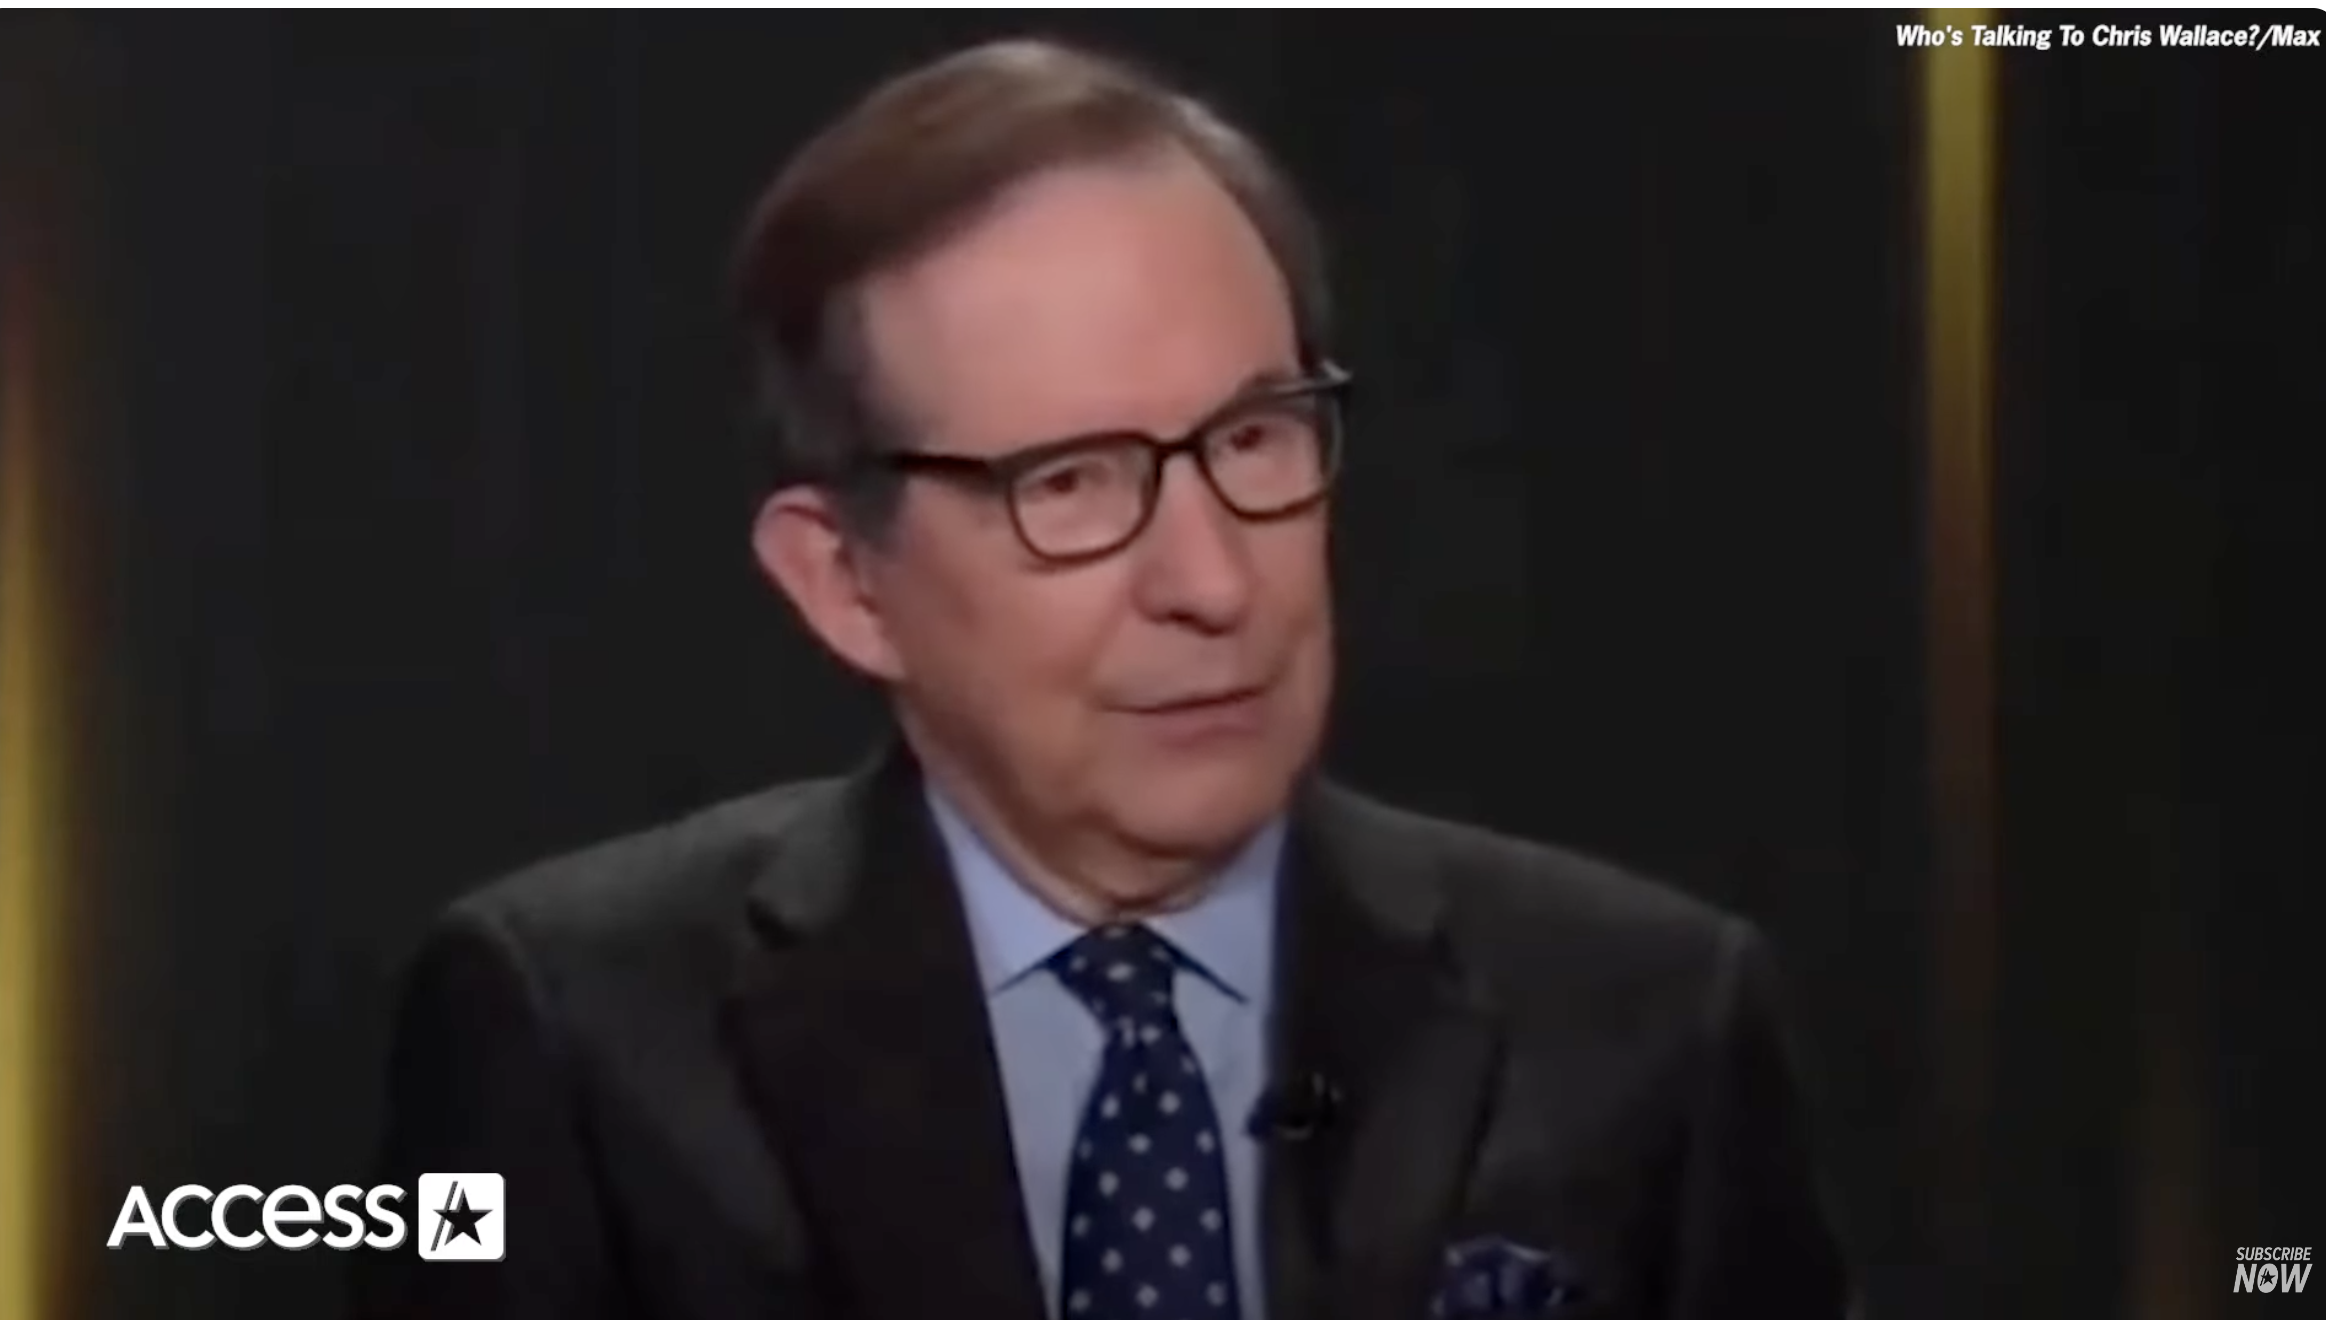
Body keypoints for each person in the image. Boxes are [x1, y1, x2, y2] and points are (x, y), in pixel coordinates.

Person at [353, 37, 1851, 1320]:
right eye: (1068, 483)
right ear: (843, 582)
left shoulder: (1650, 1024)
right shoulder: (569, 1040)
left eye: (1254, 438)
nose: (1210, 583)